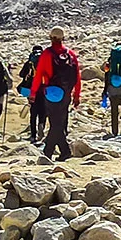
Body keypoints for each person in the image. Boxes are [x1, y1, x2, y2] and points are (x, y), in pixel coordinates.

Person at [30, 26, 81, 161]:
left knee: (55, 123)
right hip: (66, 93)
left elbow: (38, 74)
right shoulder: (71, 54)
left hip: (51, 93)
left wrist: (33, 93)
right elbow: (77, 76)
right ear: (63, 38)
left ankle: (51, 152)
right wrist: (76, 95)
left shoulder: (47, 54)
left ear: (51, 38)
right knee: (59, 122)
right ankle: (60, 151)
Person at [19, 45, 46, 143]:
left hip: (31, 91)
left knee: (33, 113)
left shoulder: (29, 63)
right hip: (43, 89)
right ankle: (42, 124)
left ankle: (33, 135)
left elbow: (21, 74)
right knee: (43, 110)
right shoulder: (45, 62)